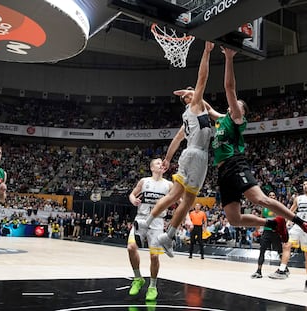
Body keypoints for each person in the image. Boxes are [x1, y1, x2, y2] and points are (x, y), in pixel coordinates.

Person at [209, 47, 307, 250]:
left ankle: (302, 223)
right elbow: (206, 108)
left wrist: (228, 58)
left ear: (241, 112)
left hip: (235, 164)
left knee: (260, 199)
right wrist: (191, 94)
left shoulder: (235, 119)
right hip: (222, 172)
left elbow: (229, 88)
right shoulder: (221, 119)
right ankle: (272, 223)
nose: (235, 105)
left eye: (239, 105)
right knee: (234, 219)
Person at [134, 41, 215, 257]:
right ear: (188, 99)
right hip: (198, 155)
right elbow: (202, 79)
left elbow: (176, 141)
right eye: (191, 94)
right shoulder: (195, 105)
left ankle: (149, 225)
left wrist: (168, 159)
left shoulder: (190, 116)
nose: (194, 93)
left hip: (187, 154)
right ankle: (168, 236)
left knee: (174, 196)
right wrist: (206, 53)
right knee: (188, 200)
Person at [127, 158, 173, 301]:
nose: (161, 165)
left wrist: (188, 218)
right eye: (158, 163)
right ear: (152, 168)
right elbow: (132, 194)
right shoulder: (144, 181)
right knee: (130, 247)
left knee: (154, 256)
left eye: (162, 163)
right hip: (141, 218)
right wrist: (133, 199)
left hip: (158, 221)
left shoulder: (169, 185)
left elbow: (182, 201)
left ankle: (152, 286)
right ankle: (138, 278)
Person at [251, 191, 289, 279]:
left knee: (280, 252)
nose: (272, 196)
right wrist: (257, 229)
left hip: (276, 232)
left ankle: (284, 268)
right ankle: (258, 271)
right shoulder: (264, 208)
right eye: (270, 195)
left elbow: (283, 219)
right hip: (266, 232)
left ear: (275, 197)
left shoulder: (278, 207)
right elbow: (261, 219)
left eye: (273, 195)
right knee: (262, 251)